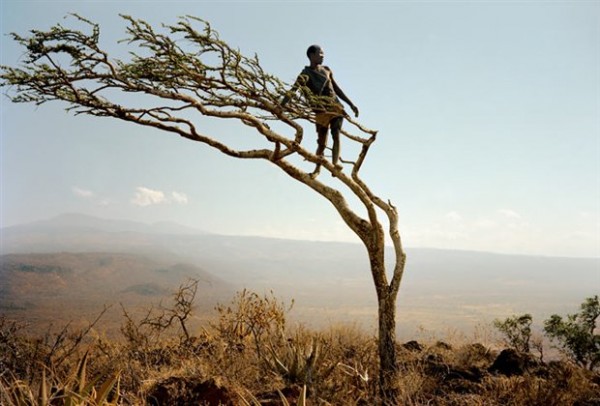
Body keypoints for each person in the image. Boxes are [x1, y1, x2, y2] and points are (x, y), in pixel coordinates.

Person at [281, 45, 359, 177]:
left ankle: (335, 165)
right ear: (312, 55)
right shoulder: (305, 74)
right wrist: (281, 105)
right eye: (320, 53)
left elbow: (337, 89)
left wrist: (351, 104)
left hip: (335, 106)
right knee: (322, 142)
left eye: (323, 53)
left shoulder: (327, 70)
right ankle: (317, 169)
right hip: (321, 110)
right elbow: (293, 90)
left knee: (336, 134)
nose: (322, 56)